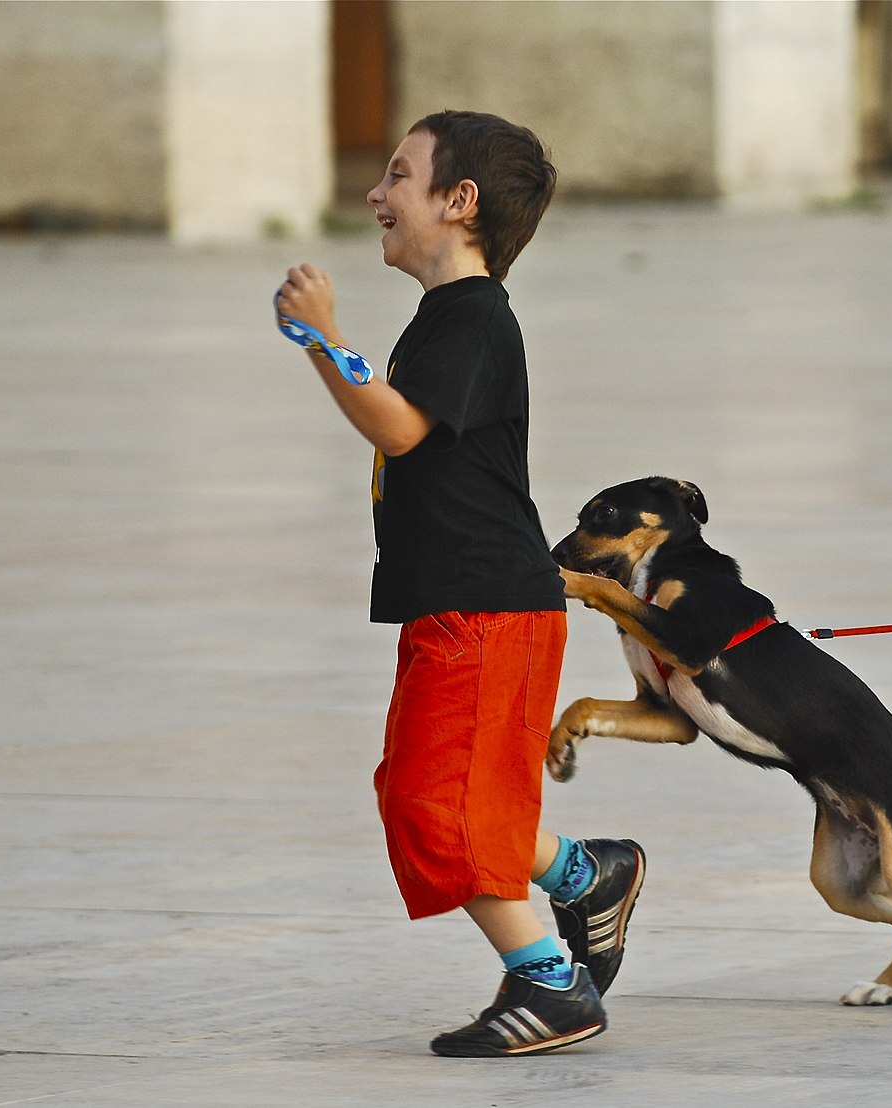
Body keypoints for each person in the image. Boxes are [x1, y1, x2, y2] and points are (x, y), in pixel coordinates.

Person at [275, 109, 645, 1058]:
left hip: (489, 611)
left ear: (458, 200)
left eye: (399, 175)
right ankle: (581, 875)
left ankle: (550, 985)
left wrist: (321, 338)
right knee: (419, 789)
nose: (377, 194)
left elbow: (398, 428)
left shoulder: (475, 318)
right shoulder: (447, 318)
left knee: (441, 805)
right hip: (462, 608)